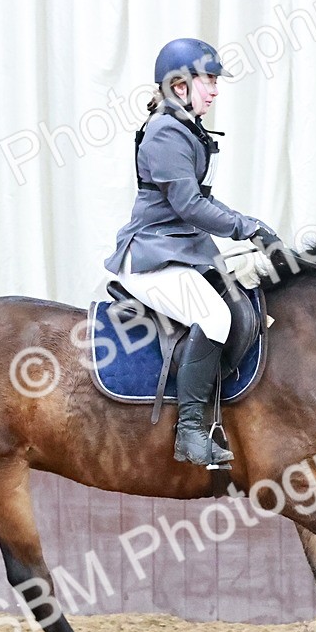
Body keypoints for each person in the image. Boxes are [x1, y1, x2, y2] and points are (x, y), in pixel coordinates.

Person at [104, 38, 284, 467]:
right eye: (210, 81)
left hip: (181, 251)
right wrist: (249, 228)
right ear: (180, 85)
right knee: (215, 316)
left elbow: (202, 203)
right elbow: (190, 206)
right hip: (151, 259)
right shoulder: (166, 132)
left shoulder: (186, 128)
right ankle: (190, 433)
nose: (215, 91)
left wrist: (251, 227)